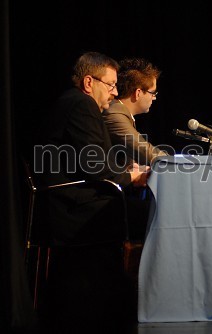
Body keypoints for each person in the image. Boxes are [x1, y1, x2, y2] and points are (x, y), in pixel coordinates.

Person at [35, 52, 150, 331]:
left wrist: (126, 168)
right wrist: (130, 176)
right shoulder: (81, 105)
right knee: (154, 213)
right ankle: (139, 303)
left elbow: (91, 158)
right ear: (89, 82)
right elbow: (95, 167)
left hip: (78, 198)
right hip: (75, 207)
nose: (113, 93)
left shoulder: (76, 104)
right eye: (110, 85)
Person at [102, 58, 167, 166]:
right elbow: (143, 151)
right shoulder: (114, 114)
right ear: (138, 93)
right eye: (153, 93)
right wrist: (176, 163)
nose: (154, 98)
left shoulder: (120, 112)